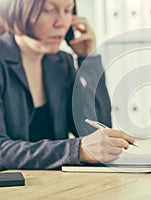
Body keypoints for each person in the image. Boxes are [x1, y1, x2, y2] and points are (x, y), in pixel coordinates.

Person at [0, 0, 135, 170]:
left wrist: (88, 60)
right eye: (49, 10)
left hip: (60, 187)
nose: (62, 22)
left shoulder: (59, 62)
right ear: (17, 11)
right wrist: (76, 150)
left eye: (69, 11)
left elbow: (94, 131)